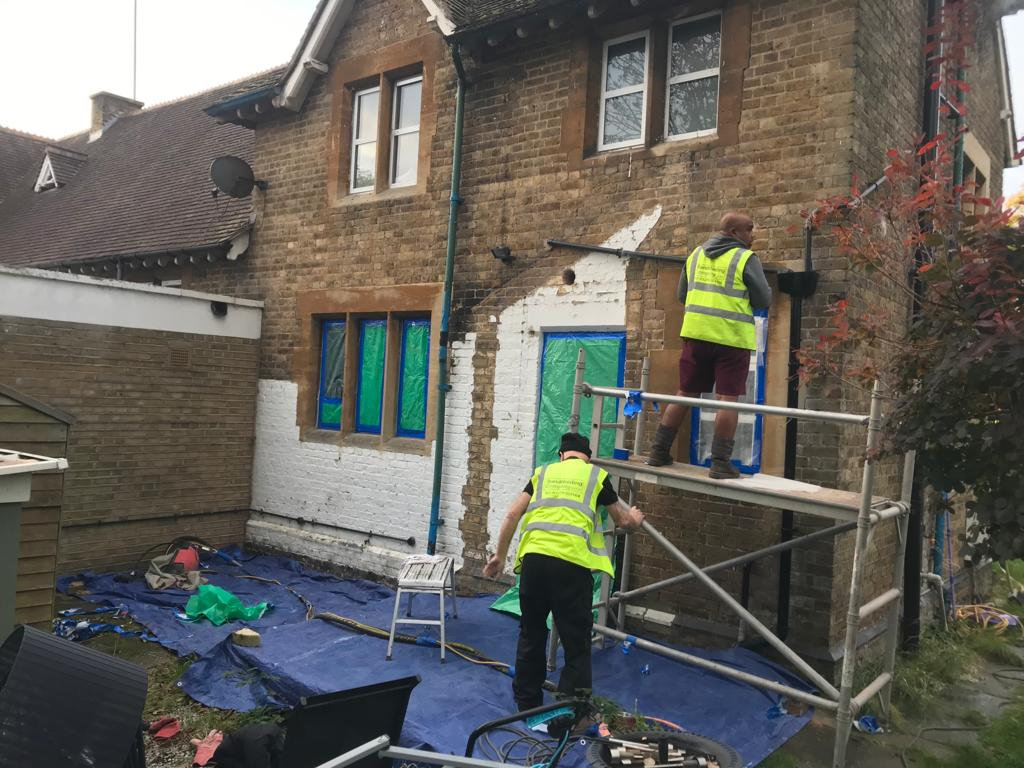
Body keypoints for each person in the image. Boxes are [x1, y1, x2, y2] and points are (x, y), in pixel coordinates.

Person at [483, 432, 644, 716]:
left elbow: (511, 515)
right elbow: (622, 521)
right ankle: (572, 710)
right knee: (576, 643)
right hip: (570, 568)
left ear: (561, 455)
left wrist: (499, 555)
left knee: (531, 634)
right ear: (587, 457)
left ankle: (526, 704)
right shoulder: (596, 476)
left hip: (534, 564)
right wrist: (636, 519)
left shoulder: (542, 473)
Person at [646, 212, 772, 478]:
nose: (754, 234)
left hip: (695, 335)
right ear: (734, 232)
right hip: (731, 339)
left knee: (685, 393)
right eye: (749, 229)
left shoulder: (695, 255)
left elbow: (682, 294)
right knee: (728, 400)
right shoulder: (745, 258)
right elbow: (763, 300)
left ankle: (658, 452)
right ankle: (720, 463)